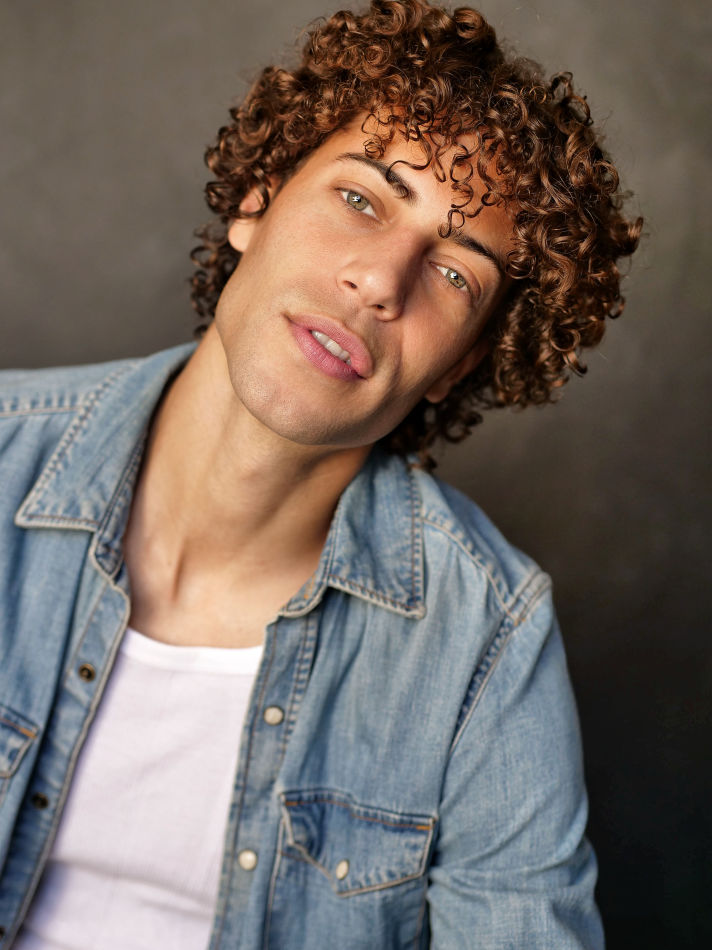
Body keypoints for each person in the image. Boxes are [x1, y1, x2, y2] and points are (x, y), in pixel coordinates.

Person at [0, 1, 641, 947]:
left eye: (455, 274)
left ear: (461, 363)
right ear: (255, 202)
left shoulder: (486, 639)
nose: (381, 280)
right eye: (362, 200)